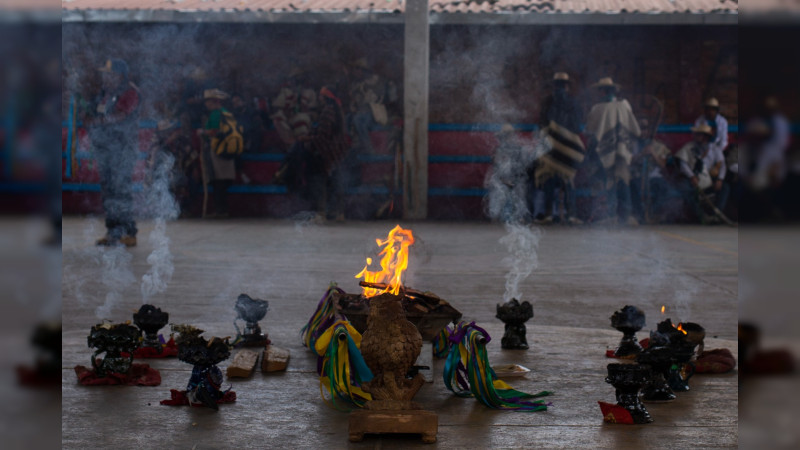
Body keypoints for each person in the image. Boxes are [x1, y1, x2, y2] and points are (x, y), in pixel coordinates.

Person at [88, 58, 141, 246]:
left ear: (119, 75)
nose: (106, 77)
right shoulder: (106, 94)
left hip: (123, 148)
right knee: (108, 190)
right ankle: (113, 231)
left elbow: (120, 116)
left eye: (109, 74)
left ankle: (128, 232)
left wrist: (100, 122)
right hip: (106, 148)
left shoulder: (130, 92)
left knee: (121, 190)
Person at [584, 77, 641, 225]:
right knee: (623, 181)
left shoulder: (598, 108)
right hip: (623, 150)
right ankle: (625, 215)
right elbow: (634, 128)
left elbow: (590, 131)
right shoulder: (625, 105)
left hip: (605, 152)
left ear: (603, 91)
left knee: (607, 181)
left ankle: (610, 213)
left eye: (599, 90)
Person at [534, 72, 585, 225]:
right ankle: (570, 214)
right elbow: (577, 126)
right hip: (566, 149)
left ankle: (550, 213)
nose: (561, 88)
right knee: (567, 180)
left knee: (550, 179)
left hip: (551, 147)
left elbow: (542, 124)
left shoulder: (547, 102)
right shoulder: (573, 102)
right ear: (567, 86)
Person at [303, 87, 349, 223]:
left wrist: (308, 140)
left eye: (321, 96)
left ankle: (321, 213)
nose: (319, 98)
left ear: (325, 98)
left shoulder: (328, 111)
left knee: (319, 181)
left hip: (328, 152)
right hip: (338, 152)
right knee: (337, 182)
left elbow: (323, 136)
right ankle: (339, 213)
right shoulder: (338, 110)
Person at [675, 123, 728, 223]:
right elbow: (683, 165)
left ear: (705, 137)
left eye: (699, 134)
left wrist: (720, 180)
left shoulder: (715, 149)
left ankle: (716, 215)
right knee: (684, 188)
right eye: (696, 134)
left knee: (725, 187)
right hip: (693, 180)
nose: (696, 136)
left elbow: (723, 166)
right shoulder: (688, 147)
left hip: (709, 181)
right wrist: (691, 176)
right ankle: (702, 216)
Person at [199, 89, 236, 218]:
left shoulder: (215, 114)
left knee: (218, 182)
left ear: (215, 101)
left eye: (208, 101)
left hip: (217, 150)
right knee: (222, 182)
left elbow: (214, 132)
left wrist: (202, 133)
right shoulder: (226, 113)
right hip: (227, 149)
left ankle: (220, 210)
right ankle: (222, 209)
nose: (206, 104)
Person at [695, 97, 729, 161]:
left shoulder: (723, 121)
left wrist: (718, 151)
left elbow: (724, 140)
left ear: (716, 110)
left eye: (713, 109)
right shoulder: (700, 120)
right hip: (703, 148)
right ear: (705, 110)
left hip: (718, 148)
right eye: (708, 109)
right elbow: (697, 137)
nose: (710, 112)